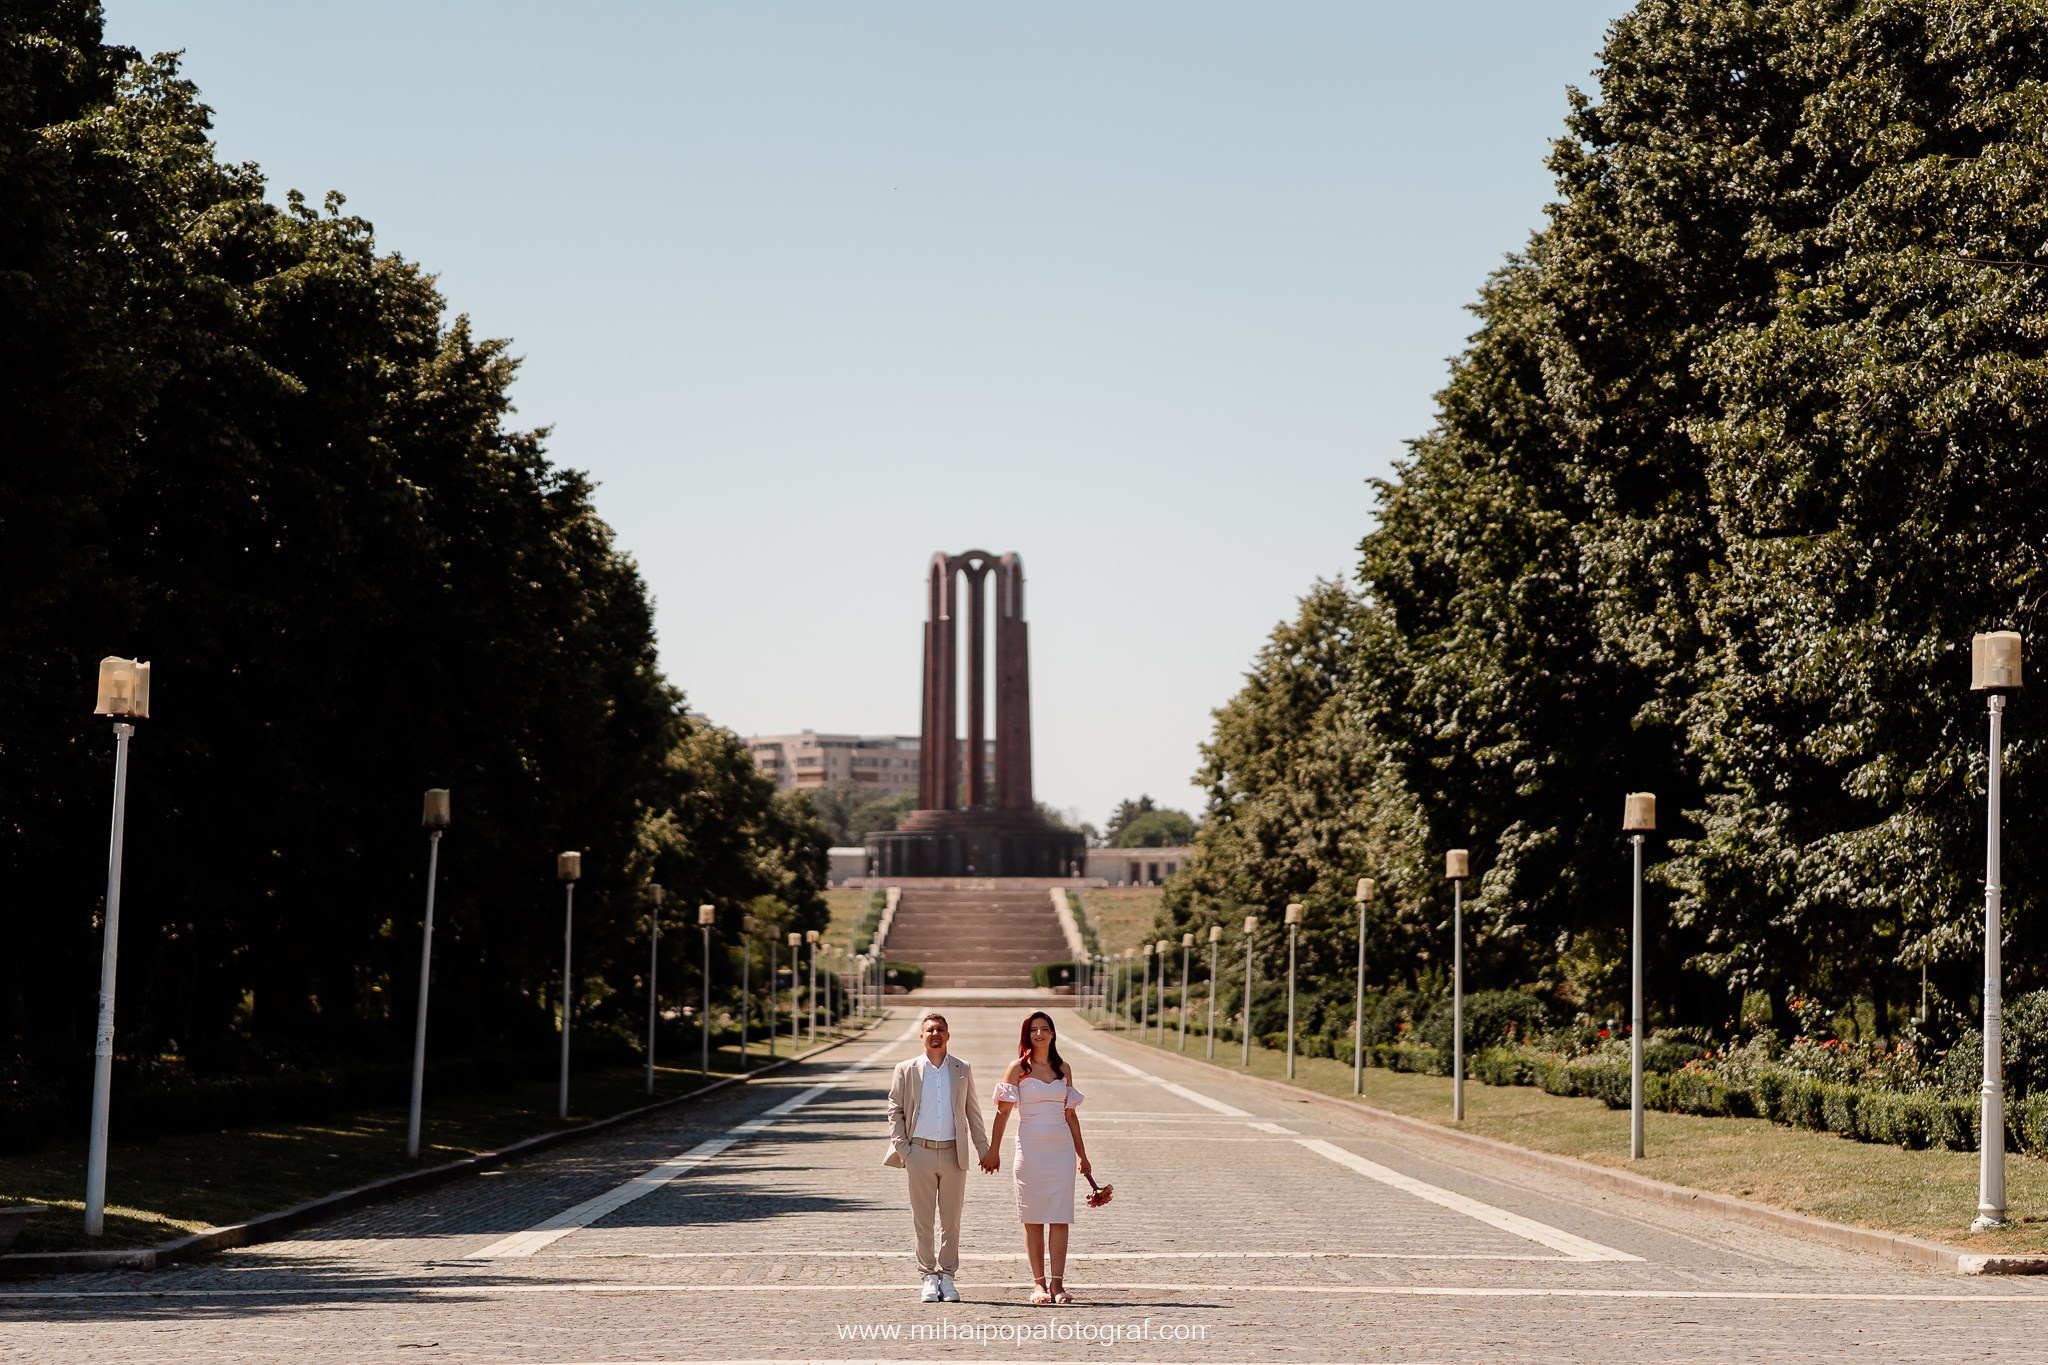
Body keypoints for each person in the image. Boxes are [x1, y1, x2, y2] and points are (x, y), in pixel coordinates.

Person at [982, 1010, 1090, 1305]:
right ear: (1026, 1035)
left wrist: (1083, 1156)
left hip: (1061, 1151)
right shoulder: (1018, 1069)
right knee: (1032, 1218)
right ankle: (1039, 1285)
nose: (1039, 1034)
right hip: (1029, 1150)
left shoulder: (1063, 1068)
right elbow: (1003, 1112)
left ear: (1053, 1033)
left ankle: (1058, 1284)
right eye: (1033, 1030)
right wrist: (994, 1150)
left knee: (1059, 1216)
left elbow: (1071, 1115)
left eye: (1044, 1029)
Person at [884, 1011, 990, 1303]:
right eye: (930, 1030)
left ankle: (948, 1276)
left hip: (954, 1154)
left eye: (940, 1030)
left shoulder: (961, 1068)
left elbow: (973, 1112)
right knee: (923, 1220)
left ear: (948, 1035)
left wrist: (985, 1150)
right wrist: (904, 1148)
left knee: (951, 1220)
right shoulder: (906, 1069)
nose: (935, 1034)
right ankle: (928, 1276)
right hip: (919, 1152)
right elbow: (895, 1109)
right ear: (921, 1036)